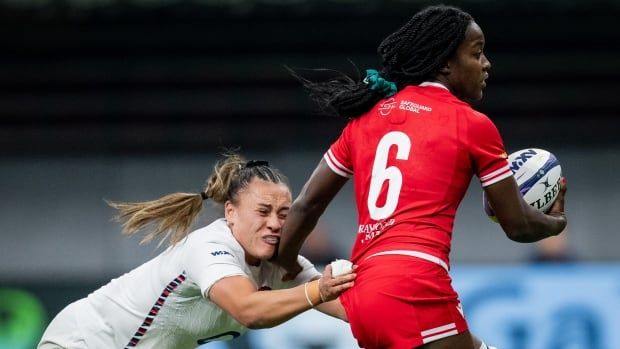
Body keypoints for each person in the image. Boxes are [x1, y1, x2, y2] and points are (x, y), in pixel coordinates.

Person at [275, 5, 567, 349]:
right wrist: (557, 221)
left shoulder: (365, 119)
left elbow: (307, 204)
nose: (486, 63)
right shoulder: (472, 125)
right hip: (416, 285)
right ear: (445, 63)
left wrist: (285, 264)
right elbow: (518, 225)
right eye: (476, 53)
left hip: (364, 291)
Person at [38, 153, 356, 349]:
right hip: (85, 340)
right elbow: (249, 309)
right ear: (230, 212)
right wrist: (318, 290)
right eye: (263, 211)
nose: (275, 223)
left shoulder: (284, 265)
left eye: (284, 214)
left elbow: (350, 310)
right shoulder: (210, 246)